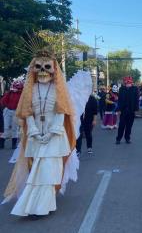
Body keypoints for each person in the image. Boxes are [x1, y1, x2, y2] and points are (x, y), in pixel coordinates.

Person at [3, 39, 90, 217]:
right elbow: (27, 111)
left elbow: (62, 111)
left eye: (47, 67)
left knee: (49, 171)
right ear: (33, 69)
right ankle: (34, 205)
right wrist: (34, 130)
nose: (42, 71)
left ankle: (43, 205)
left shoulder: (59, 90)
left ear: (54, 69)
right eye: (38, 67)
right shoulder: (31, 90)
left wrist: (52, 131)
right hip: (36, 135)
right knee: (36, 171)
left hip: (55, 136)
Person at [0, 79, 24, 149]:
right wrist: (6, 106)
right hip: (8, 110)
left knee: (15, 128)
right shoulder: (10, 93)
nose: (15, 89)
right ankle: (1, 143)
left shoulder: (22, 94)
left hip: (16, 111)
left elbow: (23, 104)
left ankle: (14, 144)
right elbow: (3, 101)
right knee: (5, 127)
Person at [116, 77, 139, 144]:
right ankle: (118, 139)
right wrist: (119, 109)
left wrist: (136, 109)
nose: (128, 84)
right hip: (123, 110)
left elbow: (136, 99)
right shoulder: (121, 89)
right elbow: (119, 100)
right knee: (121, 125)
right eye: (126, 82)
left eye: (129, 82)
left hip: (131, 110)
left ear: (131, 83)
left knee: (129, 126)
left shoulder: (135, 89)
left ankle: (127, 138)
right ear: (125, 83)